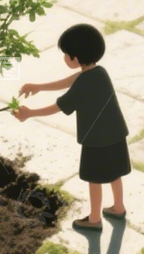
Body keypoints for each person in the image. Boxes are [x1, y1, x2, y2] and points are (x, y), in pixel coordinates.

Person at [13, 22, 130, 233]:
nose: (64, 58)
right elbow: (71, 81)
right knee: (114, 173)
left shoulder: (83, 83)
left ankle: (94, 219)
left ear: (76, 58)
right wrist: (39, 87)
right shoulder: (99, 73)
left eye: (66, 54)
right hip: (115, 133)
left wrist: (30, 113)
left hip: (96, 140)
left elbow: (59, 106)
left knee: (94, 179)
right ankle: (118, 207)